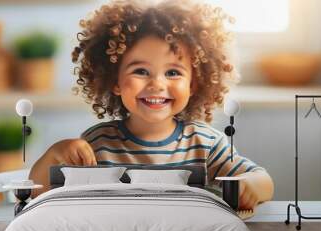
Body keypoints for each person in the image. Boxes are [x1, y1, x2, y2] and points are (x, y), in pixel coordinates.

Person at [29, 0, 274, 209]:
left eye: (173, 73)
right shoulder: (96, 144)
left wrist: (250, 186)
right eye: (141, 70)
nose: (157, 84)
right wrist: (55, 153)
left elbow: (263, 181)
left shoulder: (206, 144)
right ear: (115, 80)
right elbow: (37, 192)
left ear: (193, 84)